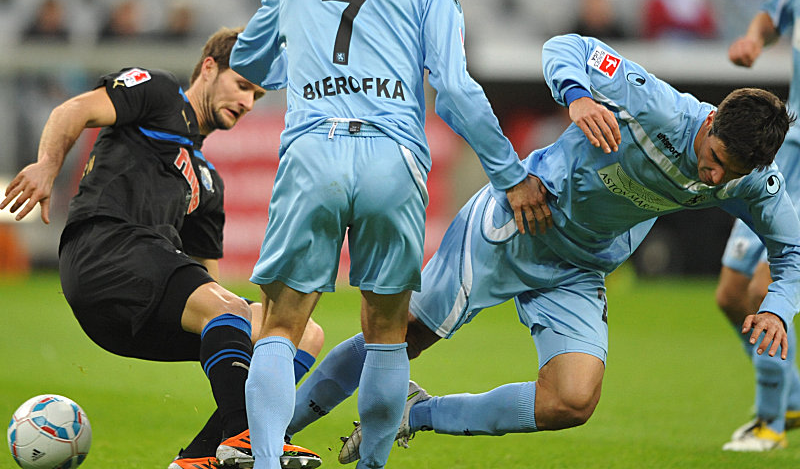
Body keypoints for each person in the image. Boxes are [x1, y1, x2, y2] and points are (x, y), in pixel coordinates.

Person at [281, 33, 800, 464]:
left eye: (732, 172)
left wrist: (777, 308)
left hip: (579, 266)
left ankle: (414, 413)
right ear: (710, 124)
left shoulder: (751, 181)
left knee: (571, 400)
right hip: (521, 220)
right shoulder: (657, 104)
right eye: (715, 158)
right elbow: (566, 47)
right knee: (401, 336)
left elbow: (792, 251)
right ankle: (264, 431)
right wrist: (577, 95)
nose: (715, 177)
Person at [229, 0, 545, 469]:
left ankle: (266, 462)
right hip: (392, 157)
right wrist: (507, 172)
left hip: (313, 152)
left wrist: (299, 67)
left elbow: (247, 60)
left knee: (281, 323)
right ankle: (372, 465)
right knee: (385, 330)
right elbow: (453, 90)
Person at [0, 27, 324, 469]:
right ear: (209, 67)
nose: (247, 103)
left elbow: (203, 280)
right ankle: (244, 438)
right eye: (243, 86)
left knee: (298, 332)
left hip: (135, 303)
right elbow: (73, 109)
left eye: (257, 96)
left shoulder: (208, 182)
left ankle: (198, 459)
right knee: (228, 310)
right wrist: (46, 166)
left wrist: (236, 342)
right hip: (103, 251)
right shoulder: (158, 91)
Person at [716, 0, 800, 451]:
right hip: (784, 151)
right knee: (730, 294)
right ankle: (790, 397)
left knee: (766, 286)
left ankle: (770, 425)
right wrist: (754, 38)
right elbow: (773, 14)